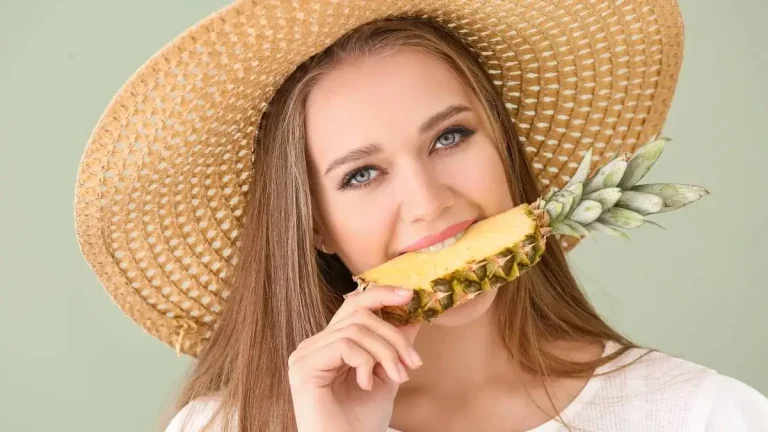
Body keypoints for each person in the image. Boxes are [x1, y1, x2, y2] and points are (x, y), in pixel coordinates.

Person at [74, 1, 768, 431]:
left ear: (505, 149)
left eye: (450, 137)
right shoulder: (223, 429)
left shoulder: (702, 416)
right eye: (362, 174)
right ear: (314, 225)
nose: (430, 201)